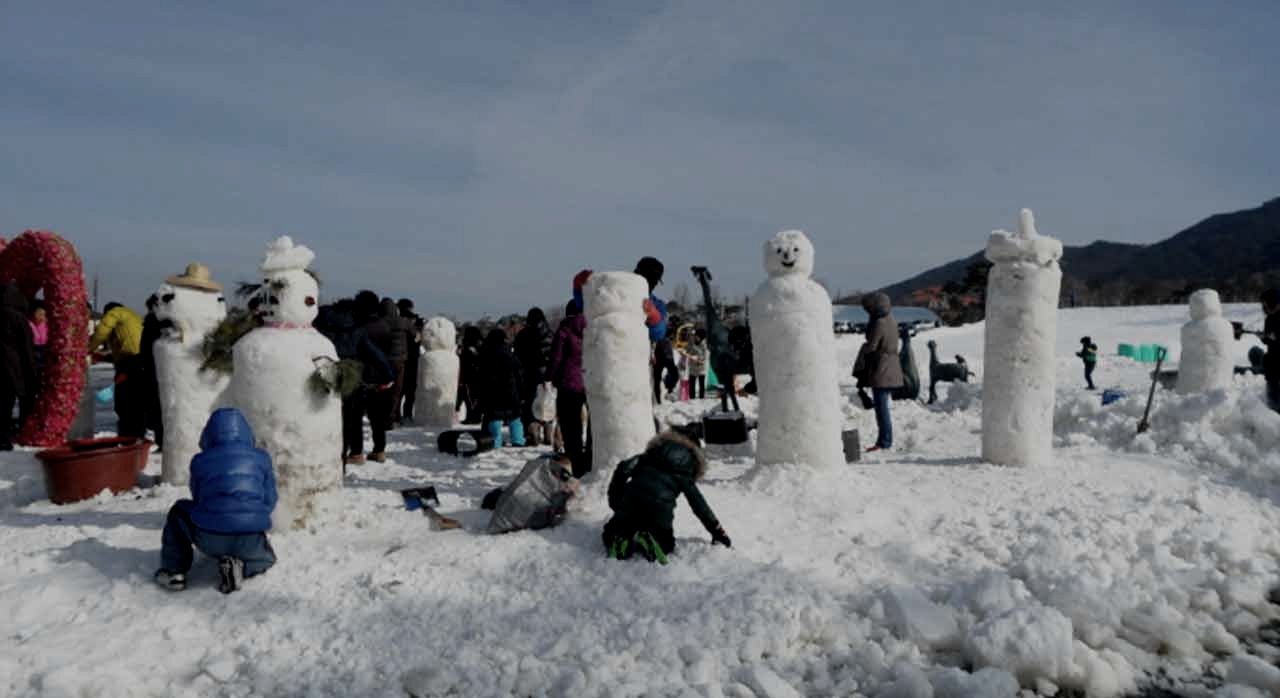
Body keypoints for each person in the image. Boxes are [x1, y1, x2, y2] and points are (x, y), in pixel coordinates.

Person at [154, 408, 278, 594]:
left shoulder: (200, 461)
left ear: (208, 434)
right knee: (266, 560)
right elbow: (270, 499)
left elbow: (198, 498)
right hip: (250, 538)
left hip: (209, 538)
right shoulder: (262, 459)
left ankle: (174, 571)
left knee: (179, 511)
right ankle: (240, 568)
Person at [602, 429, 730, 564]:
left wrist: (616, 501)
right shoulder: (687, 470)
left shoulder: (650, 454)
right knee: (666, 543)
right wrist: (717, 531)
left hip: (630, 501)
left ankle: (619, 539)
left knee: (615, 529)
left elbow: (623, 469)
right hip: (659, 509)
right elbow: (698, 504)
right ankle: (653, 540)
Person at [315, 298, 393, 465]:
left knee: (322, 415)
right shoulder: (357, 329)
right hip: (351, 375)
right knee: (352, 418)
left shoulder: (320, 323)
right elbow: (375, 353)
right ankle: (350, 454)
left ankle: (324, 452)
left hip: (324, 375)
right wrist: (388, 374)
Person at [87, 301, 146, 438]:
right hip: (142, 362)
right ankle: (137, 434)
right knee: (137, 401)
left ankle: (127, 434)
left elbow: (101, 331)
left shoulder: (115, 313)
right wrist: (104, 357)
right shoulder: (135, 317)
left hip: (130, 364)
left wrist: (87, 348)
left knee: (123, 400)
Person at [853, 292, 903, 452]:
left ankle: (884, 442)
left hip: (882, 368)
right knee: (883, 407)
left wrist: (862, 352)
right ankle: (885, 440)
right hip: (892, 366)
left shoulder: (879, 323)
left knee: (881, 409)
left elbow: (872, 345)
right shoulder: (891, 320)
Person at [548, 300, 589, 476]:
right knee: (593, 423)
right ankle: (591, 458)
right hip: (591, 383)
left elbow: (556, 357)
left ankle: (576, 462)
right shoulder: (594, 328)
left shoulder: (565, 329)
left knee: (571, 425)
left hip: (569, 384)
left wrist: (549, 377)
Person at [0, 284, 37, 450]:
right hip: (11, 368)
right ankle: (3, 438)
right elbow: (26, 348)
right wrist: (31, 371)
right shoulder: (18, 318)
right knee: (7, 404)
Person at [478, 329, 525, 447]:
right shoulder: (510, 354)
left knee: (494, 418)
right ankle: (518, 439)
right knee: (515, 417)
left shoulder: (486, 354)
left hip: (493, 392)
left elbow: (481, 376)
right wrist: (521, 391)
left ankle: (495, 441)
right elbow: (519, 374)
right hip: (511, 391)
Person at [514, 307, 553, 445]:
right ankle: (548, 433)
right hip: (547, 375)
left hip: (529, 374)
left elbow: (517, 354)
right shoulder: (549, 333)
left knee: (530, 404)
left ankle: (532, 433)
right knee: (547, 403)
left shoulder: (523, 334)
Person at [379, 298, 411, 428]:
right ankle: (393, 417)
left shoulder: (380, 321)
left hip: (384, 360)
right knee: (397, 391)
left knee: (384, 389)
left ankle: (383, 416)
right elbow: (415, 334)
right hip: (400, 360)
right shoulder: (403, 321)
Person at [139, 294, 165, 449]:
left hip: (153, 369)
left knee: (156, 406)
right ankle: (162, 440)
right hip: (159, 369)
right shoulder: (166, 323)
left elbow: (145, 348)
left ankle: (161, 440)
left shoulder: (151, 321)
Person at [397, 299, 422, 424]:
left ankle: (399, 413)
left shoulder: (398, 322)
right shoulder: (406, 324)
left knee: (402, 390)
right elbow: (416, 340)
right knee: (407, 391)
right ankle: (406, 414)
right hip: (410, 360)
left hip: (403, 360)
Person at [456, 325, 485, 424]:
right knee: (474, 398)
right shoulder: (480, 346)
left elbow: (465, 361)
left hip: (469, 377)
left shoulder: (469, 347)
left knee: (470, 399)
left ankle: (472, 417)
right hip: (477, 376)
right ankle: (474, 416)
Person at [1262, 289, 1279, 412]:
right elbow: (1268, 339)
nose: (1264, 307)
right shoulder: (1269, 319)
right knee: (1272, 396)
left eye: (1266, 304)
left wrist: (1276, 337)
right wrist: (1265, 337)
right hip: (1272, 363)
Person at [685, 329, 708, 400]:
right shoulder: (691, 342)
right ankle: (692, 398)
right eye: (695, 336)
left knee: (702, 385)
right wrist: (690, 354)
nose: (696, 337)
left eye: (697, 336)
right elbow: (687, 351)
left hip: (701, 367)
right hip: (692, 367)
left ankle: (701, 398)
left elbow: (705, 356)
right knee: (692, 384)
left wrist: (699, 359)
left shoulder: (704, 344)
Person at [28, 301, 47, 380]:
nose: (42, 317)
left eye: (44, 315)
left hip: (44, 353)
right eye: (39, 314)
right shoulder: (28, 324)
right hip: (33, 354)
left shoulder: (46, 325)